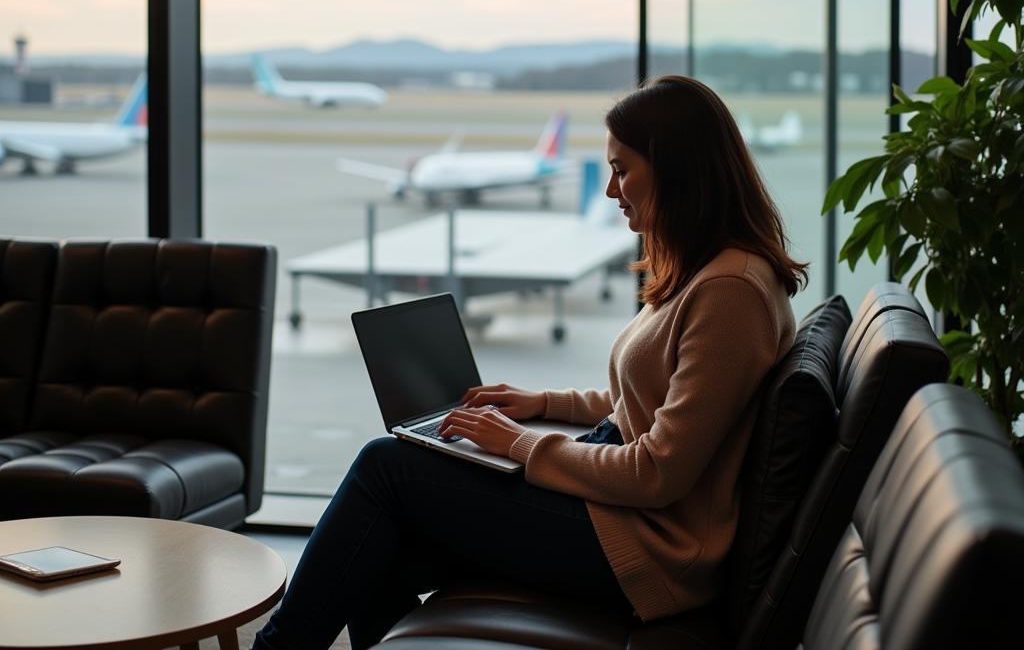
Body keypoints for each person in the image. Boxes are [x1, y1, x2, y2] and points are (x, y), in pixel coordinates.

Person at [253, 75, 805, 650]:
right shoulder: (709, 272)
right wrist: (544, 404)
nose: (613, 190)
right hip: (620, 516)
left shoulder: (730, 292)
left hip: (647, 551)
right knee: (377, 535)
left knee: (385, 466)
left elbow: (657, 471)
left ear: (677, 170)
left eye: (623, 170)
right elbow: (655, 404)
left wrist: (518, 444)